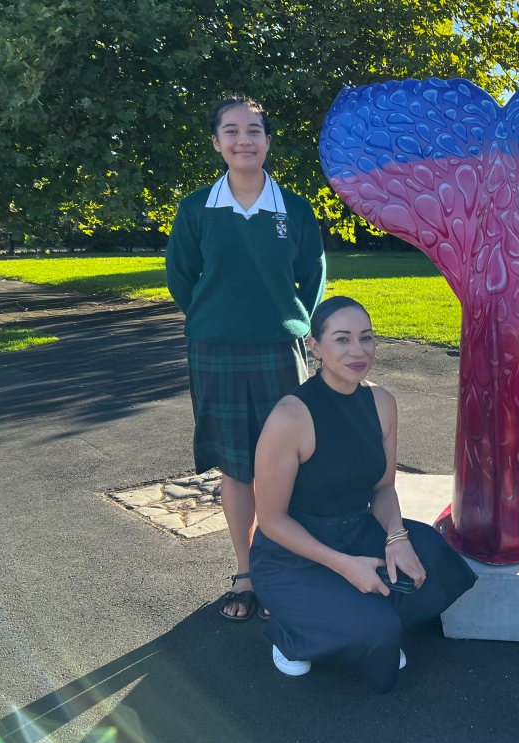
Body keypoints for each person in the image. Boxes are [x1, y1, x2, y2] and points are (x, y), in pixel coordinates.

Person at [249, 296, 477, 693]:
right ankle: (291, 633)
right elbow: (271, 520)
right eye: (342, 339)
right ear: (315, 347)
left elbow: (383, 487)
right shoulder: (290, 416)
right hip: (293, 554)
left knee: (434, 557)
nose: (359, 351)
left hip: (357, 530)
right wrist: (344, 565)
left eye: (366, 338)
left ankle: (356, 617)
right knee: (377, 630)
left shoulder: (382, 402)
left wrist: (396, 537)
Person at [166, 95, 326, 621]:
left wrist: (299, 322)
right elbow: (181, 278)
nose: (243, 140)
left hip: (280, 349)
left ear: (267, 141)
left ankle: (286, 565)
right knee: (237, 467)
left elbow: (313, 274)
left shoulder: (295, 209)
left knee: (290, 463)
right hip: (216, 352)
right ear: (217, 143)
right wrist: (216, 318)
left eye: (254, 130)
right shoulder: (195, 209)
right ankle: (246, 571)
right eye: (231, 131)